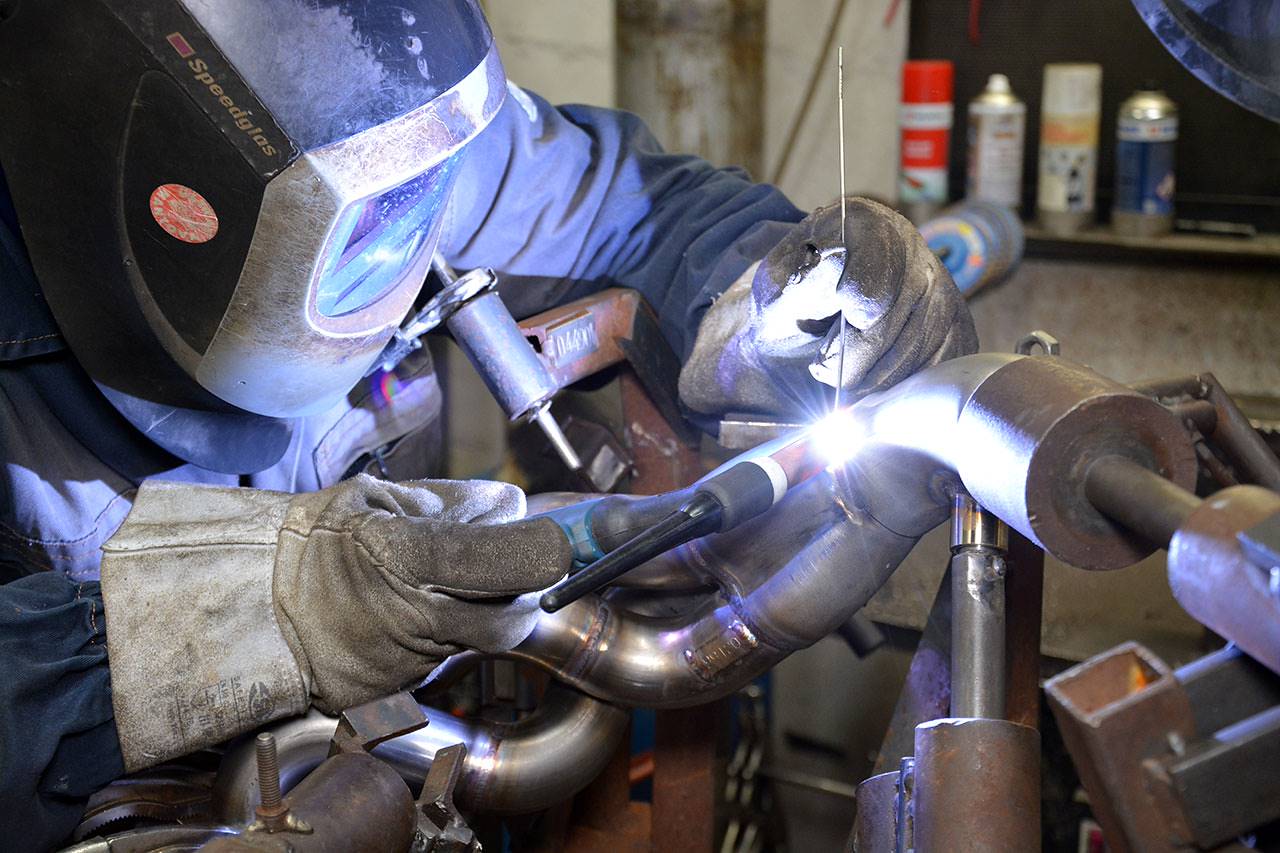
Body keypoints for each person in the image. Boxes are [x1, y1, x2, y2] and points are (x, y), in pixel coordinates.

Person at [0, 1, 976, 848]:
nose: (412, 229)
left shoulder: (395, 126)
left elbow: (639, 209)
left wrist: (767, 292)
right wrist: (262, 611)